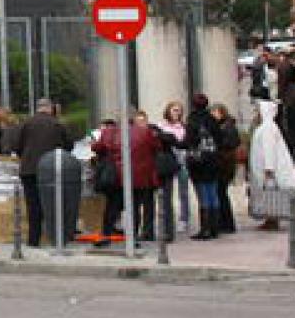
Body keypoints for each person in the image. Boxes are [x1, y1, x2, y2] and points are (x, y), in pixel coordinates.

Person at [92, 112, 161, 245]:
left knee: (112, 206)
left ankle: (106, 236)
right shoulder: (145, 132)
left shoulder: (108, 132)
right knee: (134, 207)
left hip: (115, 176)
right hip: (138, 177)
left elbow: (96, 148)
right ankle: (133, 238)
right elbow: (156, 147)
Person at [14, 98, 71, 247]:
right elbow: (68, 146)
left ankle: (34, 239)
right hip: (51, 170)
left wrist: (25, 157)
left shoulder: (26, 123)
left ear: (37, 108)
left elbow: (17, 145)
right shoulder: (57, 124)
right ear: (50, 108)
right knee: (53, 204)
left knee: (33, 205)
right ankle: (55, 239)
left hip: (29, 170)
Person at [246, 99, 295, 231]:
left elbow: (268, 148)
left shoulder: (268, 128)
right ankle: (269, 218)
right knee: (267, 194)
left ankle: (272, 219)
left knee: (271, 194)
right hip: (265, 168)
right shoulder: (267, 126)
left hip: (269, 169)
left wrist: (269, 168)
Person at [183, 94, 223, 239]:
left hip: (199, 163)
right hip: (213, 161)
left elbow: (188, 142)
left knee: (203, 194)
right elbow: (220, 139)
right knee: (213, 193)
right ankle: (215, 228)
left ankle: (205, 229)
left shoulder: (192, 121)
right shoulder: (212, 120)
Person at [155, 100, 191, 239]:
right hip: (167, 161)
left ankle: (184, 218)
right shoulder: (161, 126)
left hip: (181, 160)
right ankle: (166, 220)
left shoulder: (184, 127)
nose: (177, 113)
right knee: (166, 193)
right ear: (168, 111)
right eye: (174, 110)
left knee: (183, 191)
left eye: (179, 110)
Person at [208, 102, 240, 235]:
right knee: (221, 193)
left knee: (221, 193)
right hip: (222, 163)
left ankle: (227, 223)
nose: (213, 115)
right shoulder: (221, 126)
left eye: (215, 112)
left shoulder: (227, 126)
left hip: (225, 164)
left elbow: (231, 142)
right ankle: (224, 222)